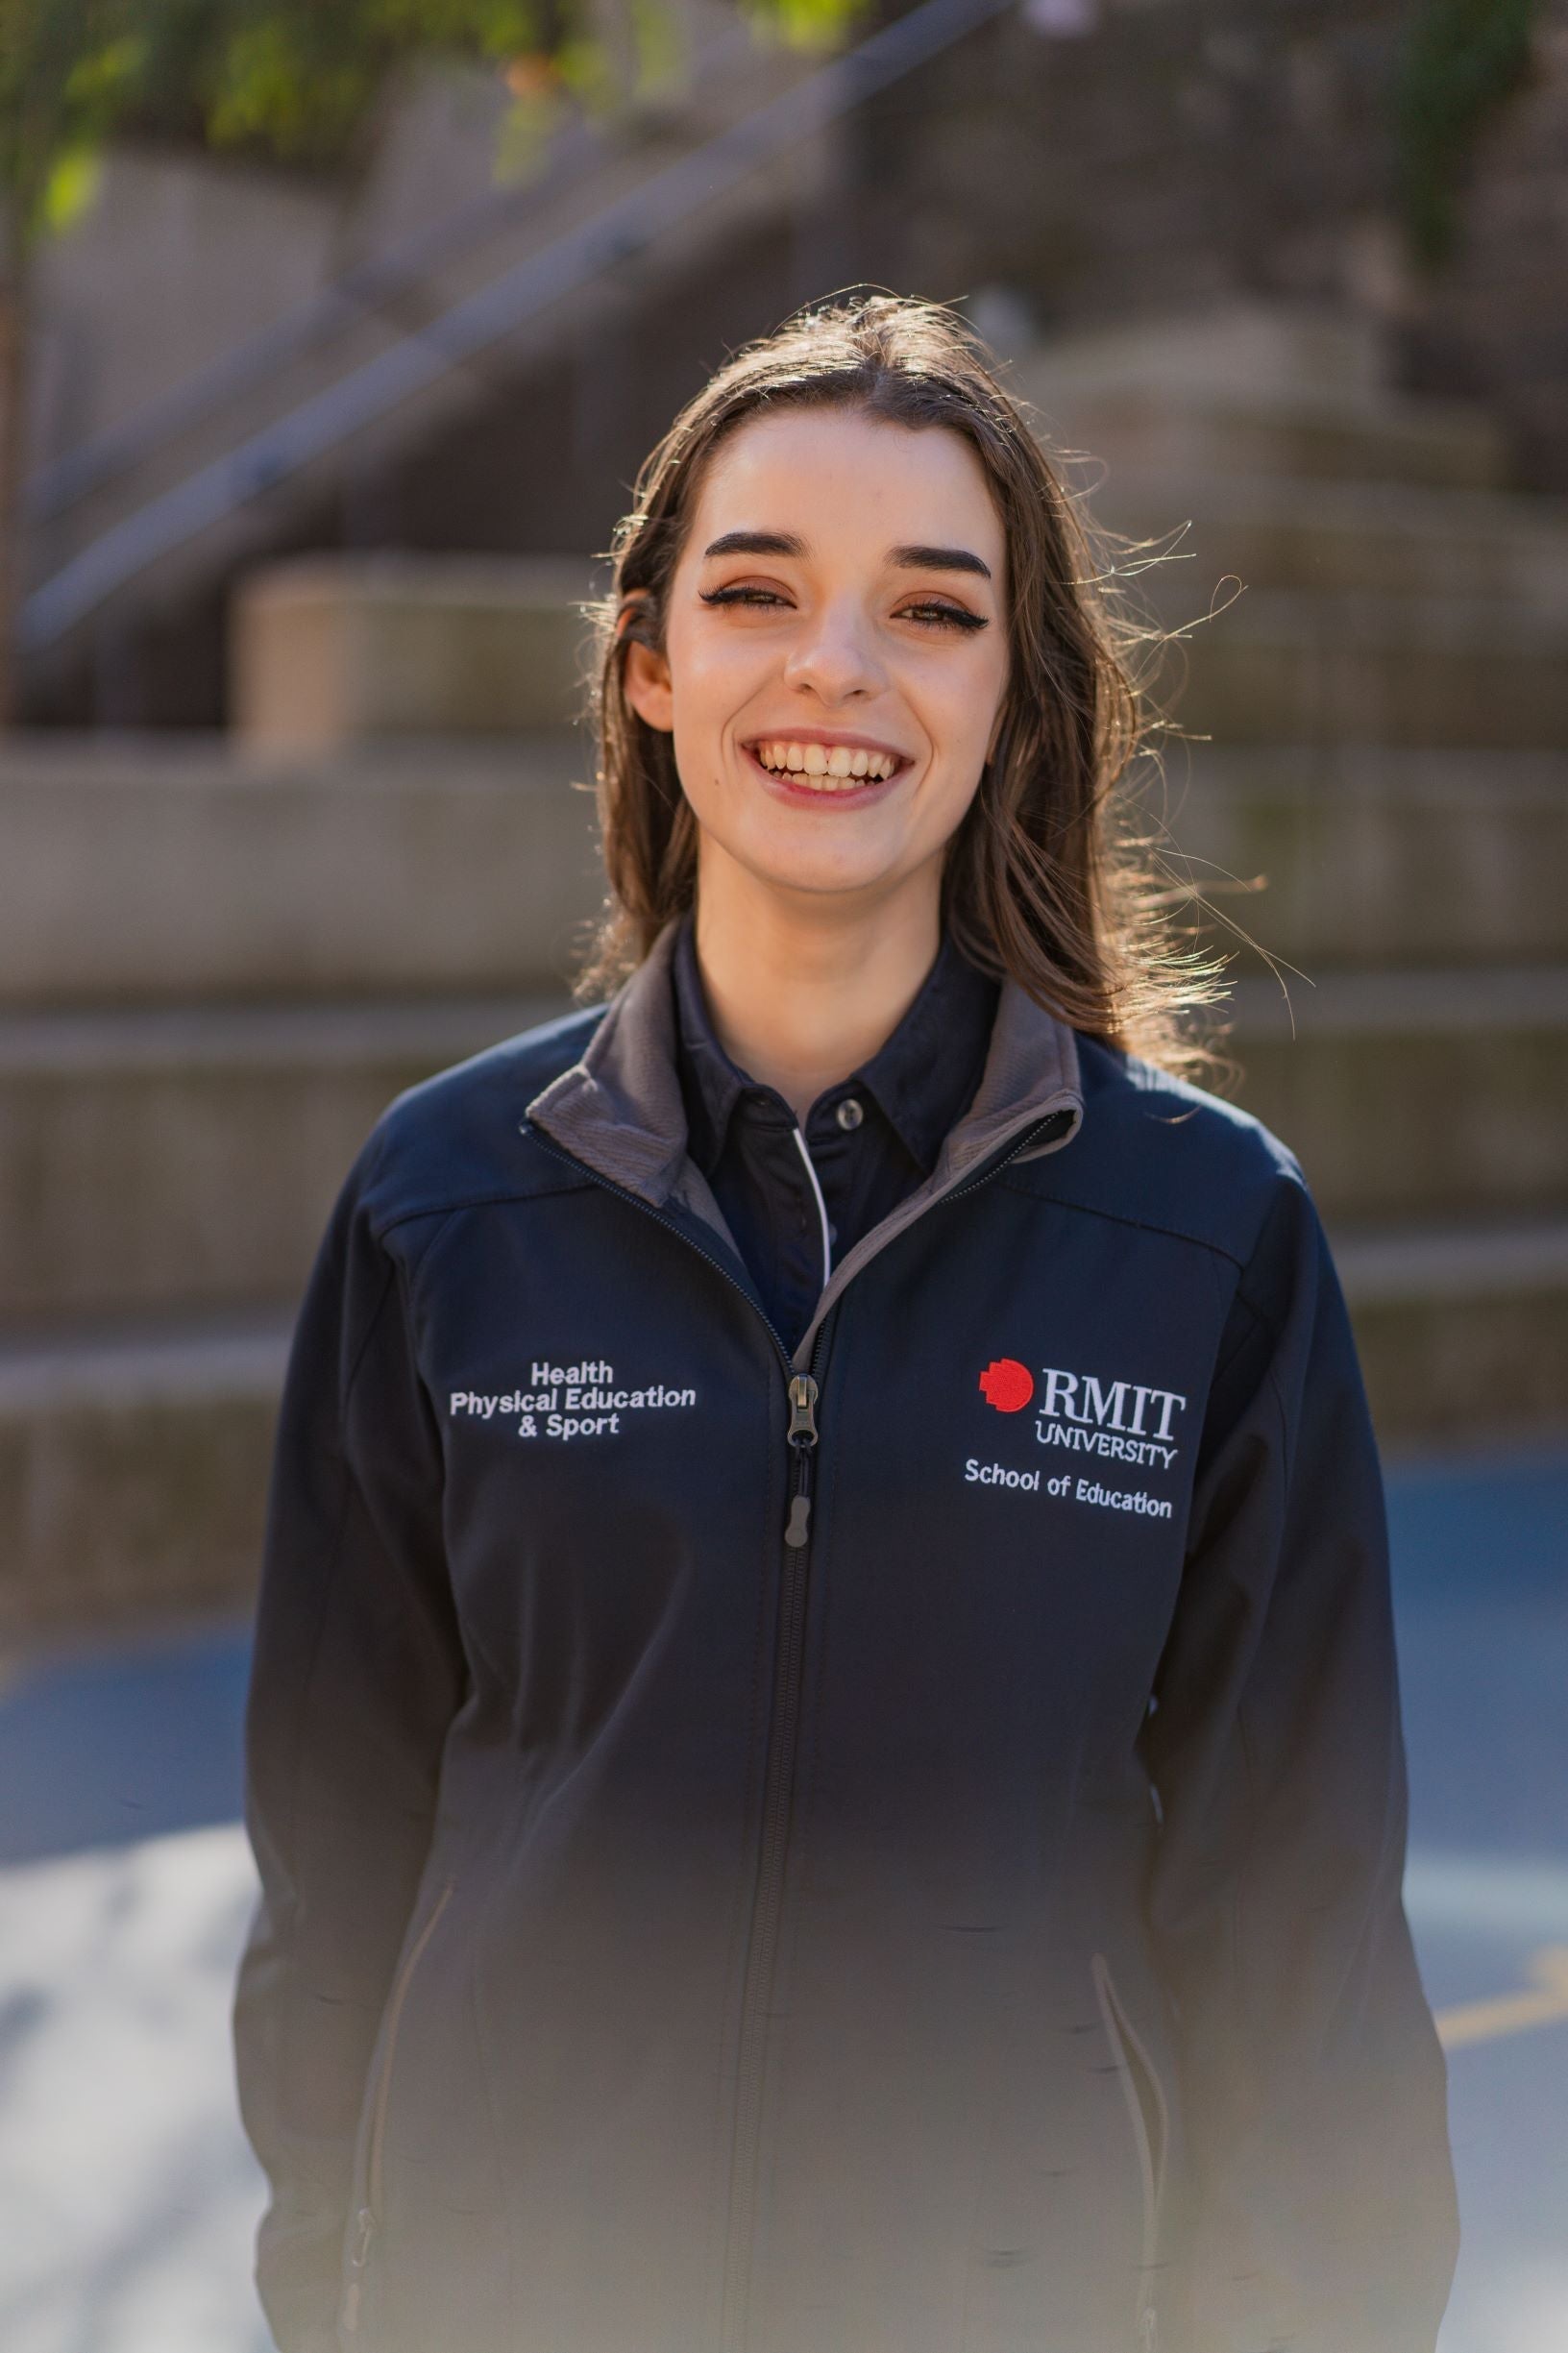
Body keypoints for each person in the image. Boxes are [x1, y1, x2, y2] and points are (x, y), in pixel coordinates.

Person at [233, 291, 1459, 2353]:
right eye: (757, 590)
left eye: (934, 608)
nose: (837, 670)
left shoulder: (1204, 1239)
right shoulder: (444, 1207)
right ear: (647, 663)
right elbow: (336, 1856)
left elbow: (1304, 1935)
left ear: (1018, 699)